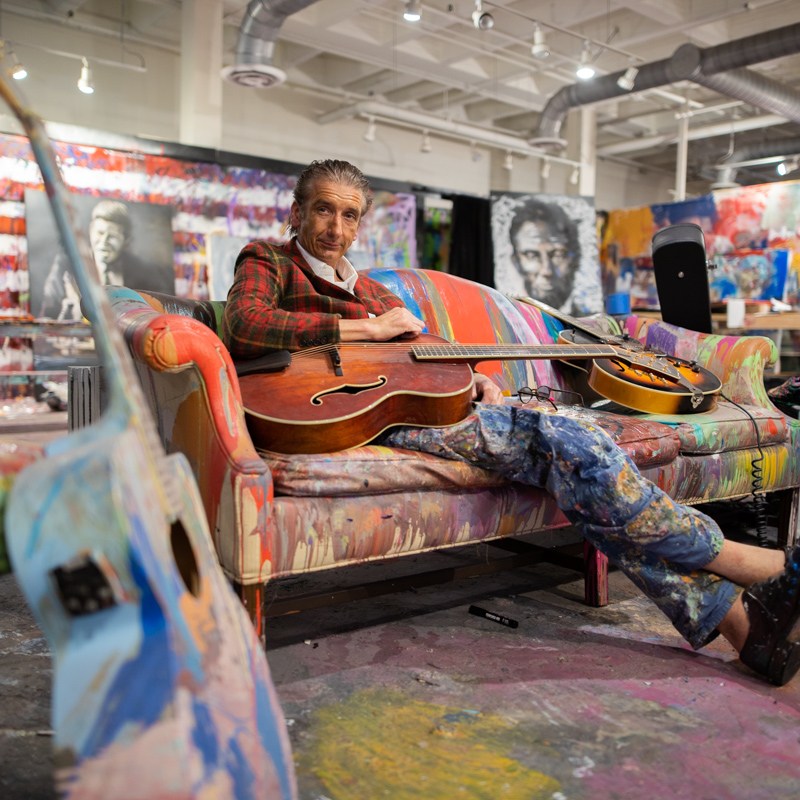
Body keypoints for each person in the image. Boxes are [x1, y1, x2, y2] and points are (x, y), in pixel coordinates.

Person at [223, 159, 800, 687]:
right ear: (297, 212)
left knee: (584, 476)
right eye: (323, 209)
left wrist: (472, 375)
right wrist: (366, 331)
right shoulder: (268, 260)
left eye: (349, 215)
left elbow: (423, 350)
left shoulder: (372, 291)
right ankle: (754, 564)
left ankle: (744, 628)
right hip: (340, 412)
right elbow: (246, 325)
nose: (335, 226)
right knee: (575, 443)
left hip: (406, 405)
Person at [39, 199, 151, 320]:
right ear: (91, 231)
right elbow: (46, 315)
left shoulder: (139, 270)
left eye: (112, 236)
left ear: (126, 240)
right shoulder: (67, 264)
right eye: (100, 233)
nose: (103, 242)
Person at [509, 197, 581, 313]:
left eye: (558, 255)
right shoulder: (507, 320)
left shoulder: (590, 320)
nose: (546, 271)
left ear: (574, 259)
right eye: (532, 255)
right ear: (516, 262)